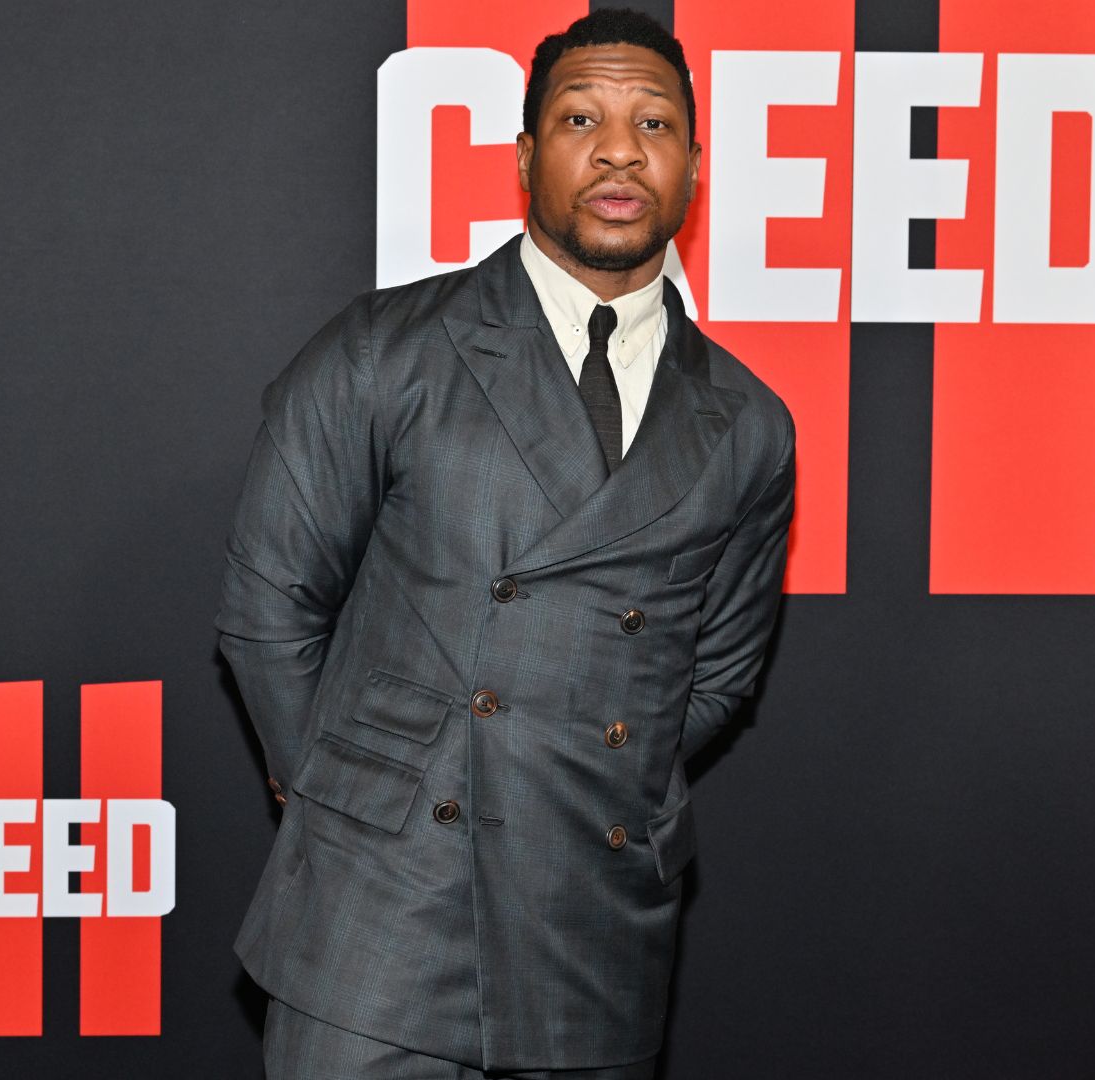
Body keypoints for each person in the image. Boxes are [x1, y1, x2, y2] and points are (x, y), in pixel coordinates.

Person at [216, 9, 795, 1078]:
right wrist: (359, 799)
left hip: (595, 918)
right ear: (528, 156)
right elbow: (267, 608)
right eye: (582, 116)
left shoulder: (749, 425)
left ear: (694, 166)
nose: (620, 147)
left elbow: (713, 677)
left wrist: (593, 784)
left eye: (654, 122)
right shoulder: (387, 352)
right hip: (380, 920)